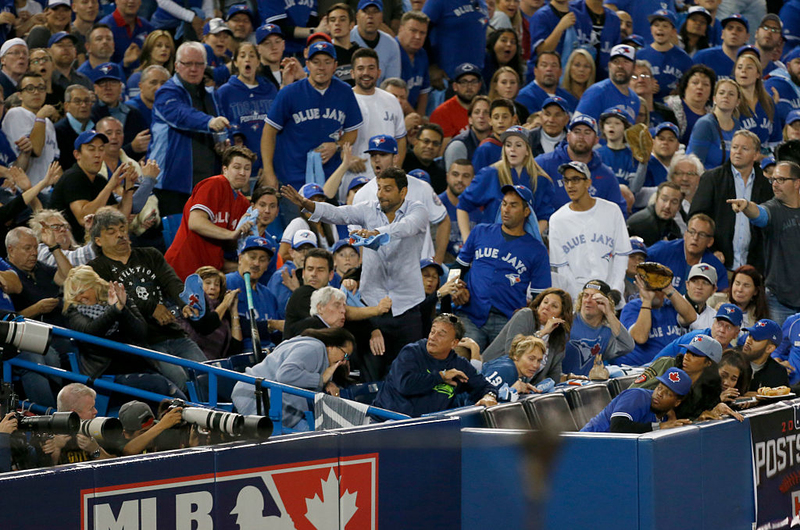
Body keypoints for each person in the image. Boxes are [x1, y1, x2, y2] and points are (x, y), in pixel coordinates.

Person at [281, 168, 428, 376]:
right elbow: (337, 214)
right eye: (379, 188)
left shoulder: (418, 211)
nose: (380, 194)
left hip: (408, 308)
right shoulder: (367, 209)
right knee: (372, 375)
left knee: (410, 372)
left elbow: (406, 227)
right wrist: (307, 204)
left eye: (387, 189)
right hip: (372, 307)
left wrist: (377, 233)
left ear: (402, 192)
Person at [88, 207, 209, 391]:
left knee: (207, 375)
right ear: (98, 240)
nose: (120, 235)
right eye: (111, 232)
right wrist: (151, 307)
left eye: (122, 228)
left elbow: (171, 281)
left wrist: (184, 302)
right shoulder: (96, 269)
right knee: (180, 379)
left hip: (173, 332)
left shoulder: (150, 254)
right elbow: (117, 300)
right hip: (143, 342)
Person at [260, 40, 362, 222]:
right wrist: (269, 171)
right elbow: (269, 132)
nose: (321, 67)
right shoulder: (289, 93)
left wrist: (336, 146)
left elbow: (352, 131)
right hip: (292, 180)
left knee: (326, 241)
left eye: (327, 62)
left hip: (328, 183)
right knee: (297, 237)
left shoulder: (345, 92)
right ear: (307, 65)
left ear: (335, 66)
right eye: (316, 62)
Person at [62, 265, 186, 399]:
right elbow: (90, 331)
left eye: (82, 291)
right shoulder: (74, 311)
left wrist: (123, 308)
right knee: (162, 386)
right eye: (74, 295)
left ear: (95, 285)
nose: (79, 298)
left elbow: (140, 331)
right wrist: (114, 310)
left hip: (140, 364)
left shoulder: (120, 296)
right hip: (107, 374)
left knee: (182, 382)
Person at [453, 184, 551, 350]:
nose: (506, 209)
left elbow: (540, 297)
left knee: (504, 369)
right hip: (471, 314)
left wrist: (527, 316)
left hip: (507, 321)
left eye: (513, 205)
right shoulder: (480, 232)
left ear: (526, 212)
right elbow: (457, 267)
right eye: (504, 204)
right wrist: (455, 288)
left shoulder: (537, 250)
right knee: (462, 358)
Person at [149, 41, 230, 216]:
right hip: (172, 184)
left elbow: (221, 125)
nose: (194, 69)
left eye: (199, 64)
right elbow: (182, 115)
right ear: (177, 66)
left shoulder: (211, 94)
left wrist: (223, 142)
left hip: (206, 182)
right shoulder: (166, 93)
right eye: (188, 64)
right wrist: (209, 122)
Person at [373, 313, 498, 416]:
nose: (433, 337)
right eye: (432, 332)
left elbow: (485, 386)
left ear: (454, 343)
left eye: (441, 334)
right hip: (389, 422)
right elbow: (404, 385)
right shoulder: (411, 353)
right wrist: (441, 376)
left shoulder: (459, 365)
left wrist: (489, 396)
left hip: (429, 430)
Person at [232, 328, 357, 430]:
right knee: (317, 440)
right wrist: (320, 380)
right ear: (331, 345)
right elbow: (285, 374)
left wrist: (326, 382)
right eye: (345, 355)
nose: (344, 361)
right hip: (255, 398)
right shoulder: (315, 348)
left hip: (254, 394)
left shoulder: (311, 346)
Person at [164, 146, 256, 280]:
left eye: (247, 168)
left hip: (209, 275)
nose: (242, 172)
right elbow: (195, 222)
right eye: (237, 167)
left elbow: (229, 245)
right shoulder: (214, 184)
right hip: (181, 269)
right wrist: (232, 234)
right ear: (225, 169)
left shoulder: (243, 203)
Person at [689, 129, 773, 272]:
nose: (737, 152)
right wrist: (712, 250)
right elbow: (697, 217)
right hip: (717, 265)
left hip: (754, 269)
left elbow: (770, 224)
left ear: (756, 154)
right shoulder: (712, 179)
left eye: (744, 148)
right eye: (734, 147)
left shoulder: (767, 185)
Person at [728, 160, 800, 324]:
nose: (775, 184)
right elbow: (759, 214)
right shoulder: (773, 208)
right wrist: (746, 206)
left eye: (781, 179)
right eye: (773, 179)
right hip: (780, 300)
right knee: (777, 348)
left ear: (797, 183)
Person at [549, 161, 632, 303]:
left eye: (575, 180)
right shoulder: (557, 220)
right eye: (566, 181)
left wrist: (616, 290)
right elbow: (562, 268)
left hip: (611, 297)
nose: (570, 186)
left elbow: (621, 255)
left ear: (588, 183)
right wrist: (583, 298)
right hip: (578, 302)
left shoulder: (612, 211)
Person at [457, 126, 553, 240]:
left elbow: (544, 216)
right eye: (508, 145)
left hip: (522, 248)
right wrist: (467, 240)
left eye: (518, 145)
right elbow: (463, 205)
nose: (512, 149)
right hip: (491, 244)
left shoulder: (540, 180)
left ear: (527, 150)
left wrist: (530, 241)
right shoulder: (490, 174)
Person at [629, 334, 740, 421]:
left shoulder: (707, 389)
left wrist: (710, 412)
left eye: (694, 355)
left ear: (708, 363)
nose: (686, 357)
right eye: (688, 351)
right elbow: (632, 395)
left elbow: (688, 418)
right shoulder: (667, 365)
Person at [49, 130, 135, 243]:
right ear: (77, 154)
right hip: (69, 245)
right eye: (91, 149)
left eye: (101, 149)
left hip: (92, 243)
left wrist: (128, 187)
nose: (97, 154)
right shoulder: (73, 177)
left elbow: (121, 215)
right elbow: (83, 218)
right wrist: (110, 186)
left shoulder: (99, 180)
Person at [534, 114, 627, 215]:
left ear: (596, 140)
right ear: (568, 137)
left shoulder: (606, 175)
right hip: (551, 227)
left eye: (587, 132)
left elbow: (618, 212)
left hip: (592, 229)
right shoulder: (543, 164)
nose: (581, 137)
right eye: (576, 132)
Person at [215, 43, 277, 178]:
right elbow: (221, 129)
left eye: (252, 55)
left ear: (258, 62)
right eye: (242, 56)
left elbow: (277, 128)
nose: (247, 59)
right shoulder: (225, 92)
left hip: (266, 166)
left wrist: (268, 166)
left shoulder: (270, 89)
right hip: (237, 168)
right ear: (236, 63)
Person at [616, 270, 697, 366]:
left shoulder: (671, 306)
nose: (653, 292)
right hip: (640, 369)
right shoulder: (632, 307)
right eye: (649, 288)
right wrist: (647, 301)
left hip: (668, 368)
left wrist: (669, 289)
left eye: (656, 288)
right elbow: (640, 338)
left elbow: (691, 317)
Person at [580, 367, 692, 433]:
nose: (659, 394)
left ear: (677, 402)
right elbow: (618, 427)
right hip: (585, 445)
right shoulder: (637, 396)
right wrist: (661, 427)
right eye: (659, 387)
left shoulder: (666, 416)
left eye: (667, 393)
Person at [645, 213, 728, 295]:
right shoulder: (662, 250)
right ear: (685, 235)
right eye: (692, 232)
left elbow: (721, 296)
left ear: (710, 242)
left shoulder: (716, 268)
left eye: (702, 234)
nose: (695, 238)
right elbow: (637, 263)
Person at [2, 71, 60, 186]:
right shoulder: (16, 114)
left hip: (46, 189)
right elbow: (36, 150)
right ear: (20, 95)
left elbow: (54, 162)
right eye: (30, 88)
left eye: (41, 88)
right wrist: (40, 117)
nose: (36, 92)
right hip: (22, 189)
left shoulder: (48, 123)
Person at [350, 48, 407, 166]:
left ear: (379, 72)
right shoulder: (345, 100)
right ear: (352, 73)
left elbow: (400, 139)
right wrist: (347, 160)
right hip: (354, 175)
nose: (366, 73)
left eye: (371, 68)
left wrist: (396, 169)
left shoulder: (391, 100)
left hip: (387, 176)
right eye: (361, 68)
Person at [226, 235, 283, 352]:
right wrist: (271, 325)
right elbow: (228, 324)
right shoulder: (227, 283)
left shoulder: (268, 295)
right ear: (240, 258)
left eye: (262, 260)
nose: (256, 263)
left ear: (267, 265)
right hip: (241, 355)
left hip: (271, 354)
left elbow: (276, 335)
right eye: (252, 257)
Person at [177, 266, 242, 360]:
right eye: (207, 283)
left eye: (217, 284)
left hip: (215, 365)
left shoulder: (222, 314)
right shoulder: (191, 304)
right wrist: (225, 303)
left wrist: (234, 311)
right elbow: (206, 327)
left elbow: (236, 348)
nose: (213, 287)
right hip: (190, 361)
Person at [40, 383, 114, 465]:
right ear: (74, 414)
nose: (95, 411)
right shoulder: (45, 436)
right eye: (91, 408)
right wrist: (57, 448)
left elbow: (117, 468)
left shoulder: (98, 429)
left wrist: (95, 450)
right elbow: (42, 474)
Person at [422, 0, 489, 81]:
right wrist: (431, 66)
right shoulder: (438, 2)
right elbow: (422, 33)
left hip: (477, 77)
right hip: (447, 77)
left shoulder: (482, 3)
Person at [636, 10, 693, 103]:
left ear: (673, 32)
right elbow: (630, 84)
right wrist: (645, 86)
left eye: (665, 26)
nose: (660, 29)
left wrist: (681, 91)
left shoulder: (684, 58)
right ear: (651, 30)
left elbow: (690, 87)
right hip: (646, 106)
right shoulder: (640, 55)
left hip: (673, 110)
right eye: (656, 25)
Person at [574, 44, 640, 123]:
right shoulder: (596, 92)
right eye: (616, 62)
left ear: (634, 67)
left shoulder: (635, 100)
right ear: (609, 66)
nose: (620, 66)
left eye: (626, 62)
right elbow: (576, 126)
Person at [686, 78, 742, 170]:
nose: (726, 96)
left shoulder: (737, 125)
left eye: (731, 94)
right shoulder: (705, 124)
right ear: (714, 99)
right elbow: (695, 165)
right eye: (721, 93)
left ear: (737, 102)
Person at [349, 0, 401, 86]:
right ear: (357, 16)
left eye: (375, 11)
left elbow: (392, 84)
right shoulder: (346, 38)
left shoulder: (391, 44)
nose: (370, 16)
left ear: (381, 17)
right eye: (366, 12)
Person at [430, 62, 483, 144]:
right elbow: (443, 152)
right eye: (463, 82)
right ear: (455, 86)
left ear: (479, 85)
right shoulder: (441, 113)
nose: (469, 87)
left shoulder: (487, 109)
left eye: (473, 82)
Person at [733, 51, 777, 150]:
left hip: (765, 160)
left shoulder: (768, 102)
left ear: (758, 74)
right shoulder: (731, 102)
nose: (743, 71)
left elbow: (776, 139)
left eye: (749, 67)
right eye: (739, 67)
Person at [482, 334, 547, 396]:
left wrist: (522, 387)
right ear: (516, 355)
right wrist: (511, 391)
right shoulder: (504, 369)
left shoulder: (517, 371)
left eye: (539, 360)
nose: (536, 365)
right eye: (531, 359)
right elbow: (480, 397)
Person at [708, 265, 769, 330]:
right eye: (737, 283)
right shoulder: (715, 300)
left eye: (746, 285)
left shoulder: (758, 313)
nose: (740, 289)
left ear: (755, 291)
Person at [693, 14, 750, 81]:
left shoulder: (751, 62)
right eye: (730, 28)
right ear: (722, 34)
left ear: (747, 37)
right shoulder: (703, 57)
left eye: (739, 29)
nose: (734, 32)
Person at [439, 159, 477, 260]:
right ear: (447, 177)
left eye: (466, 176)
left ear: (473, 180)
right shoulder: (436, 205)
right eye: (455, 174)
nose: (460, 179)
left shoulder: (481, 207)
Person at [442, 96, 491, 173]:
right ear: (470, 119)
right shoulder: (458, 146)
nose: (481, 116)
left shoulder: (494, 143)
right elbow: (456, 181)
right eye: (477, 112)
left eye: (486, 112)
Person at [118, 400, 184, 456]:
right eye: (144, 432)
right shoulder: (115, 440)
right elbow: (128, 451)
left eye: (152, 427)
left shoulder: (163, 428)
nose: (152, 435)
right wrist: (161, 426)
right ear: (126, 434)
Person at [626, 182, 683, 246]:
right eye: (664, 199)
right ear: (656, 199)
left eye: (674, 202)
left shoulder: (674, 228)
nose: (667, 206)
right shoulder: (641, 223)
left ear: (679, 208)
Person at [395, 10, 430, 115]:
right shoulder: (392, 50)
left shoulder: (422, 54)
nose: (418, 36)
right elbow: (394, 94)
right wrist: (415, 118)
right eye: (413, 31)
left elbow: (424, 91)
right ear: (401, 29)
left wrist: (420, 119)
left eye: (422, 33)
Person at [98, 0, 152, 66]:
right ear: (116, 1)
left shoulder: (147, 27)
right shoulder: (103, 29)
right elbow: (103, 70)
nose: (131, 1)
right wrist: (124, 64)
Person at [53, 84, 94, 171]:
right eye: (77, 101)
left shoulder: (97, 126)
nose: (83, 105)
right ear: (67, 106)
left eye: (87, 101)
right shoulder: (58, 131)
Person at [741, 319, 789, 391]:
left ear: (769, 348)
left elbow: (782, 399)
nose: (748, 341)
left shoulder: (778, 373)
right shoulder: (732, 359)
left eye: (756, 339)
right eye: (750, 335)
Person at [471, 98, 517, 173]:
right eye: (496, 117)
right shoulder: (485, 149)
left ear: (514, 119)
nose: (500, 121)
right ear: (490, 121)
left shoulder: (520, 146)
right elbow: (478, 179)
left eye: (505, 117)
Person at [125, 30, 174, 99]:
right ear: (149, 50)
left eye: (167, 46)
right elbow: (134, 107)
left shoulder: (172, 80)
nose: (164, 49)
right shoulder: (137, 78)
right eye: (159, 45)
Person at [401, 123, 446, 193]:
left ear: (440, 148)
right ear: (415, 141)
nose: (430, 146)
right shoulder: (401, 163)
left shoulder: (441, 175)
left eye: (435, 143)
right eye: (426, 141)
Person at [669, 154, 705, 231]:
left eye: (690, 174)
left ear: (699, 179)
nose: (685, 178)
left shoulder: (706, 204)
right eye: (679, 173)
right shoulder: (663, 201)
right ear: (672, 177)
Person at [683, 263, 720, 330]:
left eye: (705, 283)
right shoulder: (673, 308)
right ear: (687, 285)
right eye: (695, 281)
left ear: (714, 290)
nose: (699, 287)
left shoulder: (715, 318)